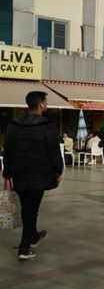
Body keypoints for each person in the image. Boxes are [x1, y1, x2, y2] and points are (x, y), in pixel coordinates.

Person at [2, 91, 64, 261]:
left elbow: (7, 149)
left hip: (19, 174)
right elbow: (53, 151)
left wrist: (6, 171)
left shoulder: (14, 124)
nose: (47, 105)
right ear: (41, 105)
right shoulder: (46, 126)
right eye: (46, 102)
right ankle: (24, 247)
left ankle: (34, 235)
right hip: (39, 174)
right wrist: (58, 171)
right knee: (31, 210)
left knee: (28, 207)